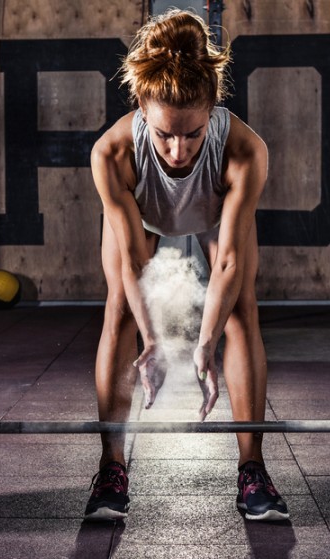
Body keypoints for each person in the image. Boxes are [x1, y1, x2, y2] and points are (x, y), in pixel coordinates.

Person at [86, 9, 289, 522]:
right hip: (144, 215)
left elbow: (229, 265)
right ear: (141, 108)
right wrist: (155, 343)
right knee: (122, 311)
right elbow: (135, 261)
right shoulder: (112, 154)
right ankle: (112, 469)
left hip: (215, 209)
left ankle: (252, 471)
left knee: (241, 311)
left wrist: (203, 347)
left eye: (193, 134)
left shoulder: (244, 149)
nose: (178, 151)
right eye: (164, 136)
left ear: (213, 108)